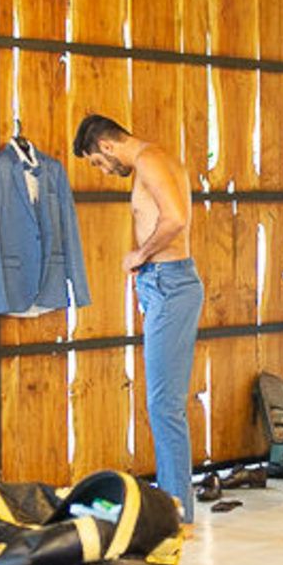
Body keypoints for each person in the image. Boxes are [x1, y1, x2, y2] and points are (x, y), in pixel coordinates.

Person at [72, 114, 201, 525]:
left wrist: (140, 255)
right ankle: (175, 507)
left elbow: (175, 218)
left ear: (106, 146)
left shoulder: (148, 159)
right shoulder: (155, 159)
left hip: (169, 282)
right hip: (164, 282)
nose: (103, 171)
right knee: (163, 403)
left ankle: (176, 513)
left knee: (164, 405)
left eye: (98, 162)